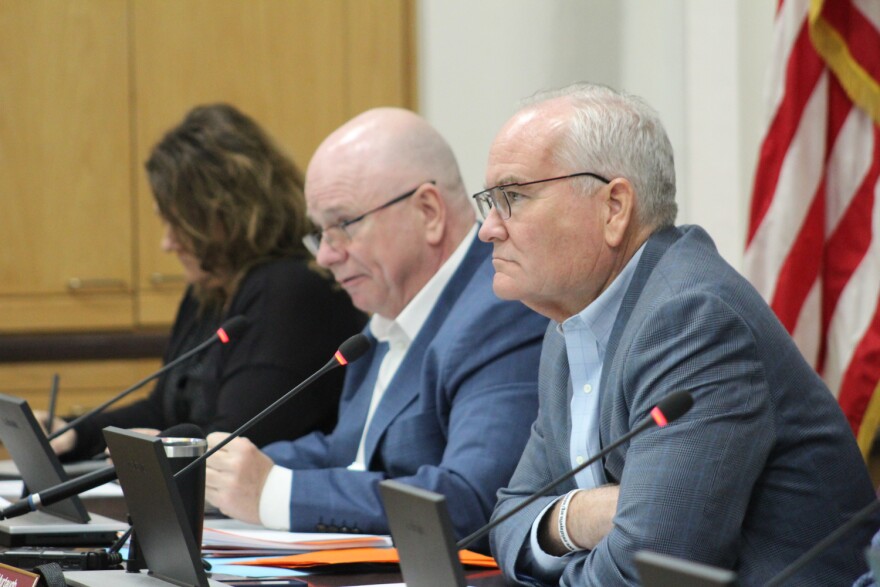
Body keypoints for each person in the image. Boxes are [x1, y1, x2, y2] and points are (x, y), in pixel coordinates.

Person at [479, 83, 879, 585]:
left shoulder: (692, 320)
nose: (489, 229)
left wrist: (572, 534)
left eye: (513, 197)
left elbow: (651, 566)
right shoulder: (569, 326)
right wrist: (578, 516)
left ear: (614, 207)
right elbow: (509, 519)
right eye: (490, 202)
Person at [203, 107, 548, 547]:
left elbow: (472, 501)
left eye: (343, 225)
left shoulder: (503, 309)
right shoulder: (386, 316)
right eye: (320, 233)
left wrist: (275, 492)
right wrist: (215, 469)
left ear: (428, 212)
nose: (326, 256)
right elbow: (347, 454)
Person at [45, 104, 367, 460]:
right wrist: (74, 431)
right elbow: (163, 410)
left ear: (228, 213)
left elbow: (235, 439)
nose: (167, 243)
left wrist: (154, 447)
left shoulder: (291, 291)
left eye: (178, 223)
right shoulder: (209, 290)